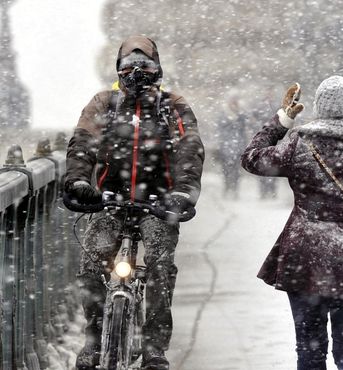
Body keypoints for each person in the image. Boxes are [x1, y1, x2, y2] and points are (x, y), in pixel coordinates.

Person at [64, 35, 204, 370]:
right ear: (118, 69)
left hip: (158, 202)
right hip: (109, 200)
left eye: (145, 65)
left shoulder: (173, 105)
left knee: (159, 265)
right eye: (129, 65)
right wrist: (79, 182)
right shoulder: (104, 102)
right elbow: (82, 141)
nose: (137, 71)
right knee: (92, 265)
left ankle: (155, 347)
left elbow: (190, 148)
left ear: (158, 69)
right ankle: (94, 341)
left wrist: (183, 190)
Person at [241, 76, 343, 370]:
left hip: (305, 257)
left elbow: (251, 158)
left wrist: (283, 120)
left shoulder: (298, 145)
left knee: (309, 349)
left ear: (319, 107)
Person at [216, 92, 249, 199]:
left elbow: (244, 127)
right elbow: (221, 128)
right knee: (226, 170)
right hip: (226, 146)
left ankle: (235, 189)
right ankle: (227, 187)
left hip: (238, 146)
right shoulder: (224, 113)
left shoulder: (241, 113)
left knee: (236, 171)